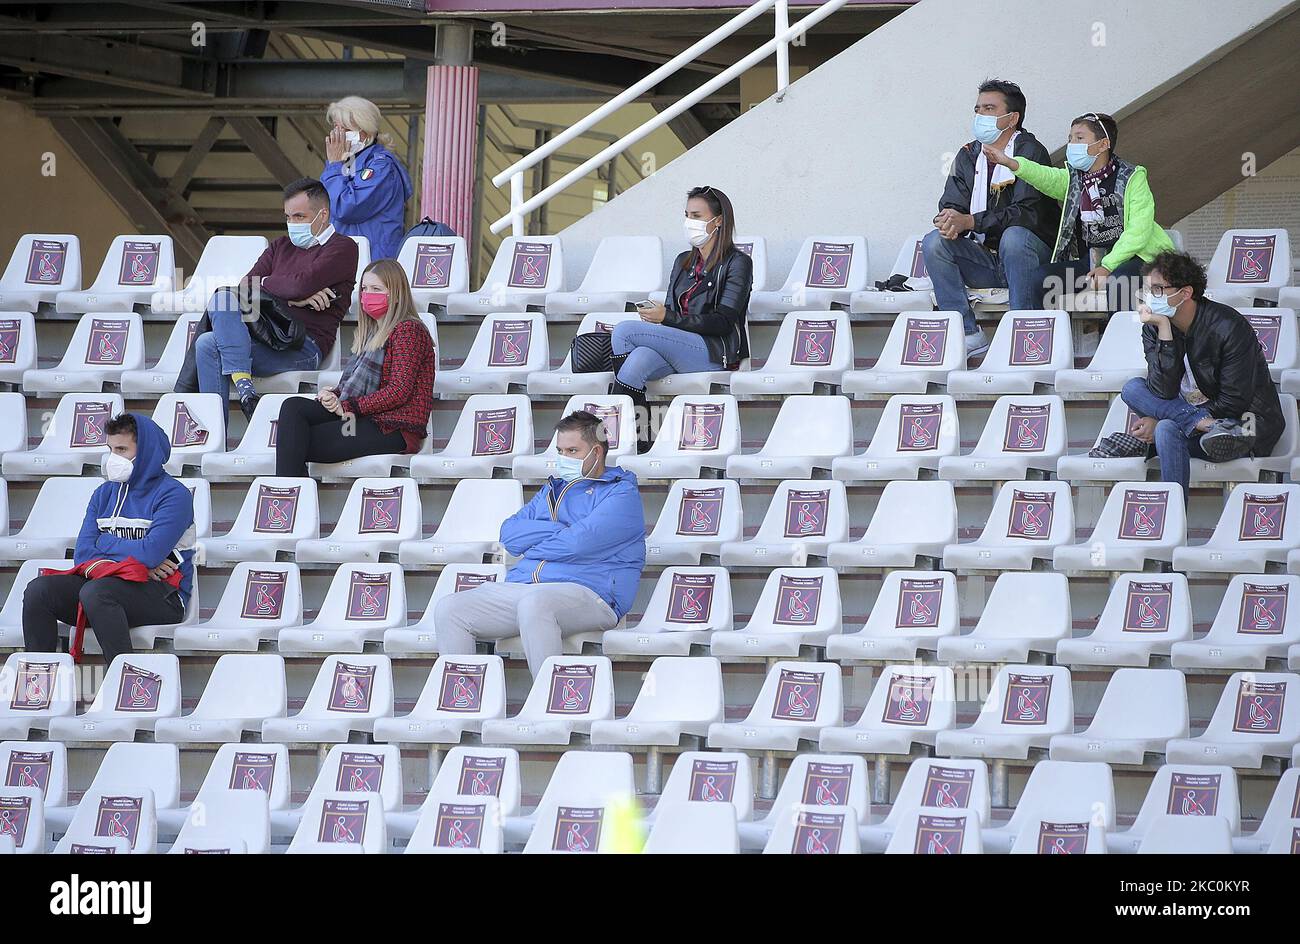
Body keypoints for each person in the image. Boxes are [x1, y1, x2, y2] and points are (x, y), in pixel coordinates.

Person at [434, 411, 646, 676]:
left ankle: (547, 703)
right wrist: (561, 530)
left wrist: (535, 542)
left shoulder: (621, 492)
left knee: (536, 603)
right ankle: (462, 706)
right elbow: (509, 536)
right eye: (559, 451)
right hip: (527, 588)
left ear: (597, 452)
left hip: (594, 594)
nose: (563, 459)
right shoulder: (551, 490)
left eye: (572, 450)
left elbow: (578, 544)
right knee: (450, 609)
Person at [179, 177, 358, 420]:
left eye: (299, 217)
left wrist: (282, 289)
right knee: (215, 318)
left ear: (323, 215)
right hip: (267, 335)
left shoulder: (343, 248)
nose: (291, 223)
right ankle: (237, 402)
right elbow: (245, 286)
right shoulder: (280, 246)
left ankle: (241, 390)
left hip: (304, 346)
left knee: (215, 329)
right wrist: (294, 298)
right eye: (287, 217)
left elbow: (300, 284)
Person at [23, 414, 195, 665]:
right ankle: (40, 681)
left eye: (122, 449)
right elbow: (83, 555)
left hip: (164, 595)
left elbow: (150, 553)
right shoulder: (103, 494)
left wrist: (105, 542)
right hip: (109, 589)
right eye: (111, 449)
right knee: (39, 590)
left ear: (146, 452)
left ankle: (123, 681)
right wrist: (136, 566)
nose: (113, 458)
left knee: (98, 591)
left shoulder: (174, 495)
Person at [1118, 251, 1283, 494]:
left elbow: (1234, 401)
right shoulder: (1155, 327)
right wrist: (1164, 329)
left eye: (1158, 289)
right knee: (1132, 388)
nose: (1149, 297)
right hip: (1206, 422)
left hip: (1243, 425)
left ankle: (1201, 426)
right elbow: (1162, 391)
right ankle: (1176, 523)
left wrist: (1173, 417)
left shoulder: (1228, 327)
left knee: (1164, 428)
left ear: (1185, 293)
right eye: (1147, 290)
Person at [922, 79, 1059, 359]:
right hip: (986, 259)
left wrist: (970, 222)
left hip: (1029, 260)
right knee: (934, 242)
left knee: (1015, 236)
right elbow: (953, 201)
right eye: (978, 109)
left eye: (989, 108)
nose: (980, 115)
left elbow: (1027, 213)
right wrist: (949, 217)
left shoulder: (1030, 152)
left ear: (1012, 118)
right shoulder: (968, 154)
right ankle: (968, 334)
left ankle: (1023, 331)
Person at [981, 112, 1174, 310]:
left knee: (1119, 283)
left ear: (1103, 144)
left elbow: (1138, 232)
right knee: (1040, 280)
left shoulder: (1133, 176)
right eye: (1070, 138)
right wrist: (1010, 162)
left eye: (1079, 138)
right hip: (1093, 260)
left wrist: (1107, 266)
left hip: (1139, 260)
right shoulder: (1074, 179)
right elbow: (1046, 177)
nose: (1072, 144)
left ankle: (1114, 339)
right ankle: (1045, 339)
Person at [610, 185, 752, 451]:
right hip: (680, 349)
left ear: (718, 221)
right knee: (636, 362)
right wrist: (658, 317)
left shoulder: (738, 263)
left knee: (623, 332)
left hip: (713, 351)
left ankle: (614, 430)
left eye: (697, 216)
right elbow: (670, 310)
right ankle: (641, 444)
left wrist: (668, 317)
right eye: (687, 215)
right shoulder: (682, 261)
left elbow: (723, 321)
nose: (689, 222)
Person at [276, 258, 435, 476]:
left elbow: (399, 392)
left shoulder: (409, 330)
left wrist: (350, 407)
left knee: (296, 441)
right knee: (293, 408)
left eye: (376, 289)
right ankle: (296, 496)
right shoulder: (370, 333)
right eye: (364, 289)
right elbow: (353, 386)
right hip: (363, 418)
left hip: (393, 427)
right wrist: (333, 396)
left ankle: (292, 500)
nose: (367, 295)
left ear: (396, 294)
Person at [321, 96, 414, 262]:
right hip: (346, 259)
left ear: (365, 132)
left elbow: (345, 208)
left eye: (345, 130)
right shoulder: (348, 161)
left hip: (373, 264)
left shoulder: (381, 167)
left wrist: (334, 165)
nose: (338, 136)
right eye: (336, 128)